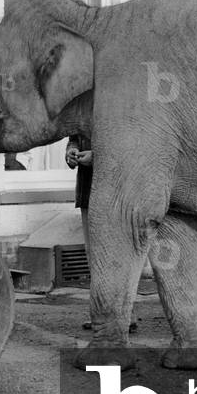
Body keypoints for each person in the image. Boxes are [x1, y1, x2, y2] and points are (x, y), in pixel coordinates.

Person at [65, 135, 137, 333]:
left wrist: (97, 157)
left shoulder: (118, 106)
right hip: (88, 193)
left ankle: (125, 316)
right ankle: (103, 315)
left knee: (118, 255)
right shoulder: (81, 108)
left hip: (114, 195)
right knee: (94, 256)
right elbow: (73, 139)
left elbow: (128, 146)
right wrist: (70, 153)